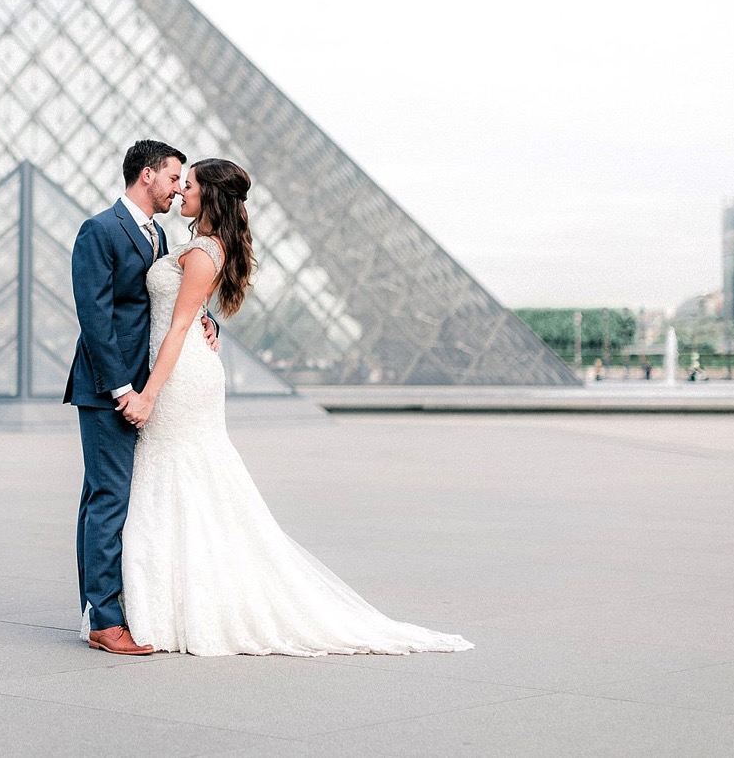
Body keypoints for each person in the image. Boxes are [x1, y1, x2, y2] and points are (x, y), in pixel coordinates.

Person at [119, 158, 471, 656]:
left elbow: (176, 326)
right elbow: (189, 313)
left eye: (189, 185)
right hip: (182, 368)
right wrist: (206, 321)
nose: (180, 193)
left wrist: (149, 394)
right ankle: (179, 600)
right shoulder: (204, 248)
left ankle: (176, 602)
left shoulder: (199, 252)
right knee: (186, 481)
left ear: (210, 198)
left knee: (178, 477)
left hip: (178, 378)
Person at [65, 140, 216, 656]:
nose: (179, 188)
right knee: (108, 499)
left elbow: (169, 297)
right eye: (175, 177)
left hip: (139, 384)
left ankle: (97, 610)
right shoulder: (100, 231)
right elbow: (95, 319)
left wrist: (204, 318)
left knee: (102, 497)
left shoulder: (157, 234)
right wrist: (125, 389)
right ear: (148, 175)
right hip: (111, 386)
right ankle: (105, 620)